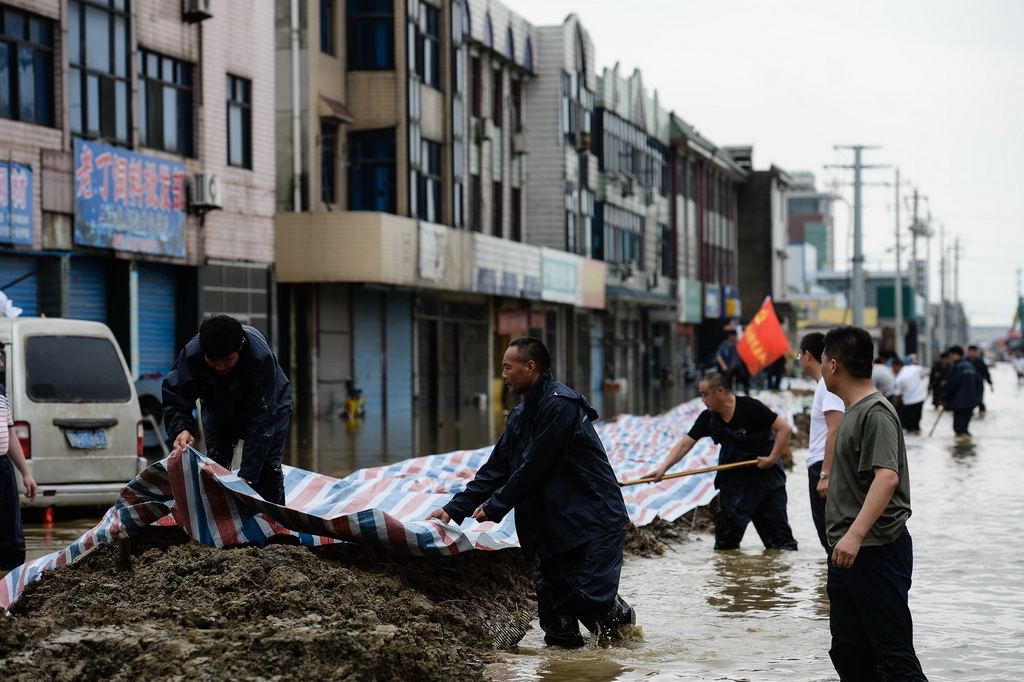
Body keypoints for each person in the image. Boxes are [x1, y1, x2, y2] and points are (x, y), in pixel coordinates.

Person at [427, 337, 633, 648]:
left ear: (530, 367)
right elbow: (497, 467)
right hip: (555, 524)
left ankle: (623, 622)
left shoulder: (561, 405)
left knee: (586, 596)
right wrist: (455, 508)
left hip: (594, 520)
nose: (504, 375)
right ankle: (567, 664)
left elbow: (537, 466)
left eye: (508, 367)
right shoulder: (522, 416)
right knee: (553, 608)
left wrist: (496, 506)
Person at [820, 325, 928, 681]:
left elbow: (887, 478)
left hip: (875, 548)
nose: (821, 367)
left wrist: (854, 535)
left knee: (893, 654)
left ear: (834, 365)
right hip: (848, 551)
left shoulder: (875, 412)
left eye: (823, 359)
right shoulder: (853, 410)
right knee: (849, 649)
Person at [649, 371, 798, 551]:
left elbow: (784, 429)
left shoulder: (750, 407)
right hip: (734, 483)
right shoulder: (708, 418)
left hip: (766, 479)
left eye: (705, 394)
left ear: (720, 391)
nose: (702, 400)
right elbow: (684, 445)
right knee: (725, 545)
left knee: (780, 544)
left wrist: (773, 458)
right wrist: (662, 469)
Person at [162, 315, 293, 505]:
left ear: (240, 347)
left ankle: (275, 529)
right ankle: (219, 525)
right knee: (216, 465)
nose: (220, 367)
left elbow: (262, 420)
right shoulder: (193, 354)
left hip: (270, 407)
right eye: (213, 361)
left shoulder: (260, 359)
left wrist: (246, 476)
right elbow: (175, 395)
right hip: (217, 406)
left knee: (266, 469)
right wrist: (182, 428)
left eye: (227, 360)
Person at [798, 332, 845, 552]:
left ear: (808, 355)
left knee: (831, 539)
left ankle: (840, 583)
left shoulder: (827, 386)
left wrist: (825, 474)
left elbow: (835, 429)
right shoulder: (823, 386)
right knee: (828, 537)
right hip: (821, 465)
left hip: (824, 466)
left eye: (800, 354)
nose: (799, 359)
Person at [0, 342, 36, 570]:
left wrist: (26, 473)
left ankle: (7, 583)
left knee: (9, 533)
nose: (1, 363)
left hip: (3, 467)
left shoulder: (0, 391)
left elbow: (10, 431)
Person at [940, 345, 979, 439]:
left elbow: (952, 384)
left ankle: (960, 450)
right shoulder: (971, 366)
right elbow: (979, 383)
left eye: (950, 356)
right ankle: (966, 447)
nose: (950, 358)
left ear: (955, 355)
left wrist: (944, 396)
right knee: (965, 427)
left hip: (959, 402)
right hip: (971, 401)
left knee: (958, 428)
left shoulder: (957, 367)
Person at [891, 356, 926, 434]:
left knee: (909, 426)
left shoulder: (899, 378)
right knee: (916, 423)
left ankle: (913, 443)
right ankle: (918, 437)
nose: (893, 370)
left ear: (897, 366)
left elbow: (898, 396)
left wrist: (893, 407)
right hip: (920, 399)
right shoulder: (914, 368)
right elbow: (924, 372)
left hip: (909, 403)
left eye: (893, 367)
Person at [716, 329, 750, 395]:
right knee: (728, 382)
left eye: (735, 336)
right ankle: (729, 395)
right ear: (729, 336)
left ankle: (746, 391)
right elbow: (718, 355)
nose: (733, 337)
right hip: (728, 368)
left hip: (737, 367)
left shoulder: (739, 344)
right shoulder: (725, 345)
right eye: (732, 336)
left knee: (744, 377)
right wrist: (723, 365)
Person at [965, 345, 992, 413]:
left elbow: (986, 373)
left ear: (976, 352)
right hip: (967, 385)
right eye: (970, 352)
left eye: (973, 352)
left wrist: (990, 384)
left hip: (978, 384)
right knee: (968, 402)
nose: (972, 353)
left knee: (980, 401)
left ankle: (981, 414)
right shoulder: (964, 362)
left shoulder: (980, 362)